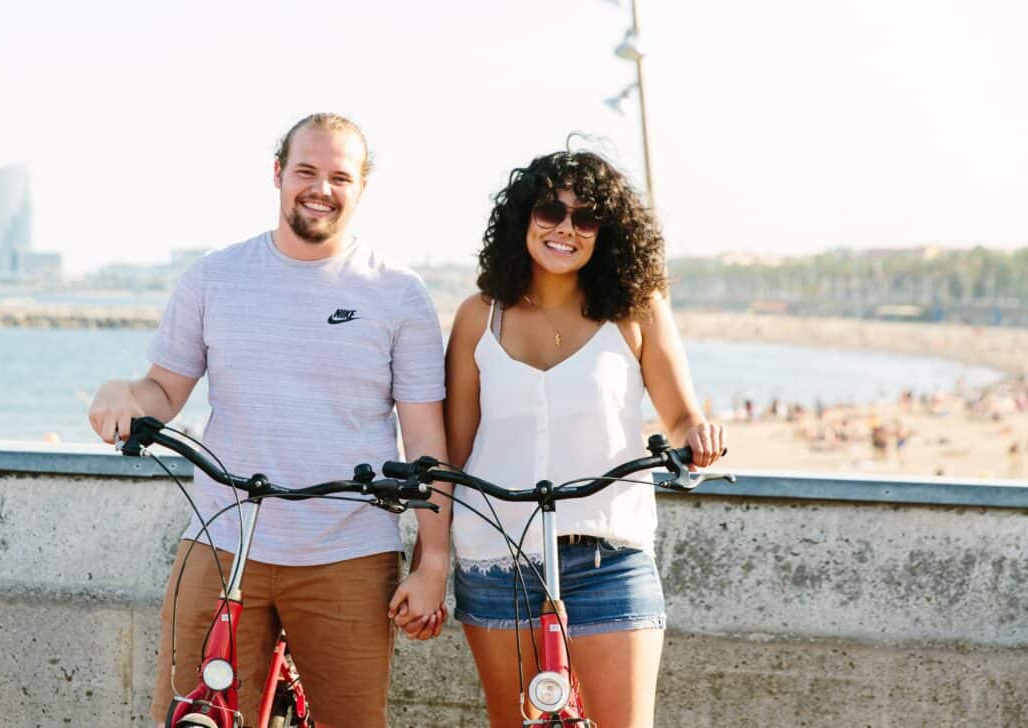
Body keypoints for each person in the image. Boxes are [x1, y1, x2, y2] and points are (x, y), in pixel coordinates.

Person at [87, 113, 450, 728]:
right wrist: (118, 390)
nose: (321, 188)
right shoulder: (214, 277)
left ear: (361, 188)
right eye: (306, 170)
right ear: (278, 173)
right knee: (193, 719)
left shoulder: (398, 292)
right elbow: (162, 391)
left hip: (349, 551)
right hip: (221, 541)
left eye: (340, 176)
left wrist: (433, 561)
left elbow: (424, 440)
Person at [441, 149, 726, 727]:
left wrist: (698, 434)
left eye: (586, 217)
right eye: (550, 210)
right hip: (496, 561)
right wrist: (430, 560)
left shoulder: (637, 312)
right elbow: (452, 452)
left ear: (607, 233)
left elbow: (680, 417)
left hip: (609, 558)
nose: (566, 228)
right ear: (524, 217)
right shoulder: (479, 316)